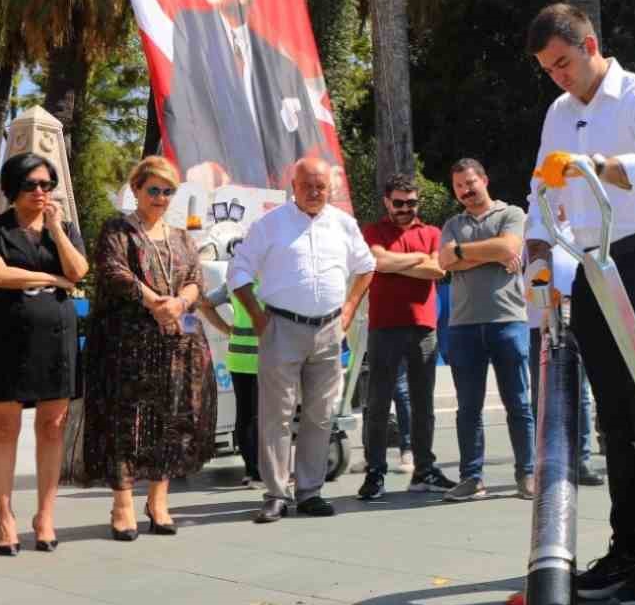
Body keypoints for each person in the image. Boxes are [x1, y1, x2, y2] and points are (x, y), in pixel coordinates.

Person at [525, 2, 635, 605]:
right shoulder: (558, 114)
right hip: (591, 265)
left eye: (563, 63)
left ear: (590, 45)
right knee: (613, 416)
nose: (558, 77)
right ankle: (629, 546)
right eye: (548, 70)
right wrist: (537, 246)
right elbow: (541, 188)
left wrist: (591, 166)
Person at [229, 158, 373, 522]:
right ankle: (276, 494)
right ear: (292, 187)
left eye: (321, 186)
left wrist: (349, 308)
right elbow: (238, 271)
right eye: (307, 185)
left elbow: (366, 266)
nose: (314, 192)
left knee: (320, 415)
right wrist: (258, 317)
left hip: (329, 330)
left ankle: (310, 491)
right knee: (275, 415)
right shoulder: (270, 224)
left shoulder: (344, 224)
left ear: (330, 188)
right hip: (281, 327)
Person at [82, 157, 217, 539]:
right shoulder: (117, 230)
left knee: (171, 420)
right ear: (136, 189)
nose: (160, 197)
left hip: (177, 345)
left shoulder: (182, 237)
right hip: (127, 346)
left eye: (168, 191)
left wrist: (179, 303)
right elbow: (114, 272)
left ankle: (158, 502)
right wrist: (156, 302)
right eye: (153, 189)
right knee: (126, 422)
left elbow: (195, 279)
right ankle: (122, 505)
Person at [0, 153, 89, 555]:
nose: (40, 191)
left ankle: (45, 516)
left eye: (46, 184)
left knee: (52, 426)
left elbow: (79, 271)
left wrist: (56, 230)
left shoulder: (65, 228)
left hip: (56, 336)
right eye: (30, 184)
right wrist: (51, 277)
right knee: (5, 427)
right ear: (12, 188)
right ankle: (4, 516)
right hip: (7, 335)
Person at [161, 0, 331, 190]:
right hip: (215, 187)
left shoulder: (282, 66)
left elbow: (309, 138)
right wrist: (197, 162)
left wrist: (328, 169)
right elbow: (182, 104)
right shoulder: (192, 29)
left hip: (274, 193)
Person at [438, 158, 536, 503]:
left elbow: (510, 247)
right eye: (459, 186)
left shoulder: (512, 214)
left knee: (518, 404)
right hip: (463, 326)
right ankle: (471, 478)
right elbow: (443, 261)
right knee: (468, 409)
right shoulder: (452, 223)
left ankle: (527, 473)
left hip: (508, 321)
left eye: (470, 183)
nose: (465, 191)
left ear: (484, 180)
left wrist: (462, 254)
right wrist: (491, 252)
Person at [357, 173, 455, 501]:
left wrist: (393, 262)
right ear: (387, 202)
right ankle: (375, 472)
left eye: (411, 203)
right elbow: (377, 261)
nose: (404, 209)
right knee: (378, 402)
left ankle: (424, 470)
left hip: (423, 327)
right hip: (384, 327)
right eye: (398, 203)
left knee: (423, 403)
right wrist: (417, 259)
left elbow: (438, 270)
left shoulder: (433, 232)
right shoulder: (373, 231)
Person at [529, 237, 604, 486]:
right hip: (542, 320)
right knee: (543, 395)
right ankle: (547, 462)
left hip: (580, 313)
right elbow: (532, 270)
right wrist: (545, 309)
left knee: (581, 394)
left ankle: (581, 459)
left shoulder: (582, 233)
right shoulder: (537, 228)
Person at [199, 266, 262, 487]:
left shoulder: (235, 281)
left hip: (238, 355)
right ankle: (259, 472)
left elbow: (204, 303)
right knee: (260, 416)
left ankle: (252, 471)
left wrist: (228, 330)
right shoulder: (273, 279)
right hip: (264, 356)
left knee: (246, 414)